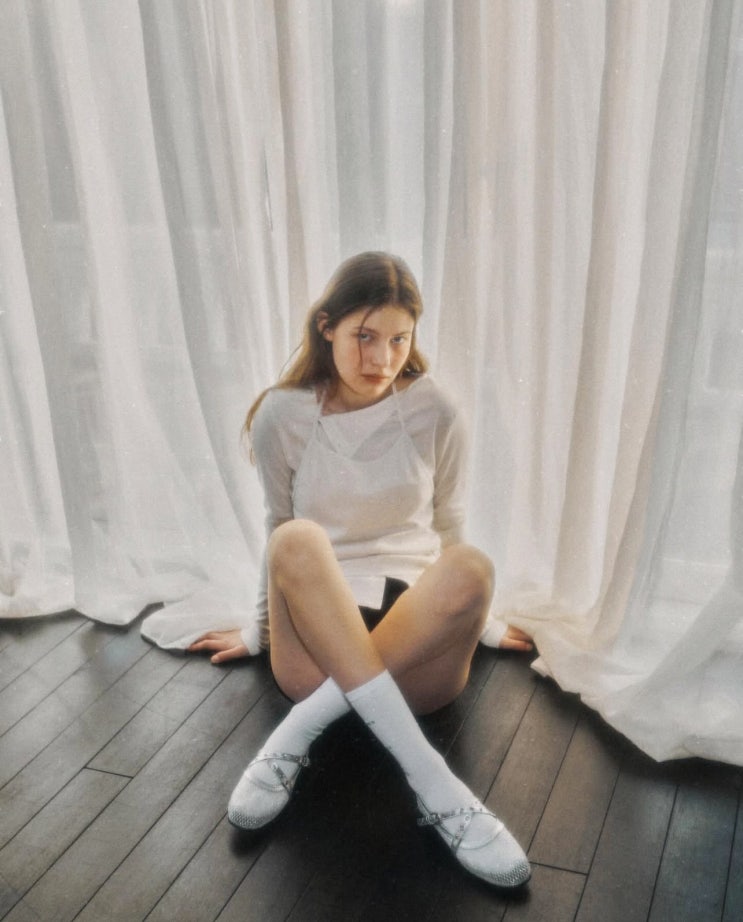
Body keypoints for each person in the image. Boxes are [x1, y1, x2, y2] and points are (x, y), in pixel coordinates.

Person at [189, 252, 533, 888]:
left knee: (471, 564)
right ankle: (439, 787)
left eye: (399, 339)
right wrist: (257, 633)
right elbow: (276, 530)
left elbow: (450, 525)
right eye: (365, 337)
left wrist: (482, 624)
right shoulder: (283, 414)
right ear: (327, 327)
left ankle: (297, 732)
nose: (382, 358)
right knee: (296, 538)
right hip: (315, 645)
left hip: (417, 654)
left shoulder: (436, 409)